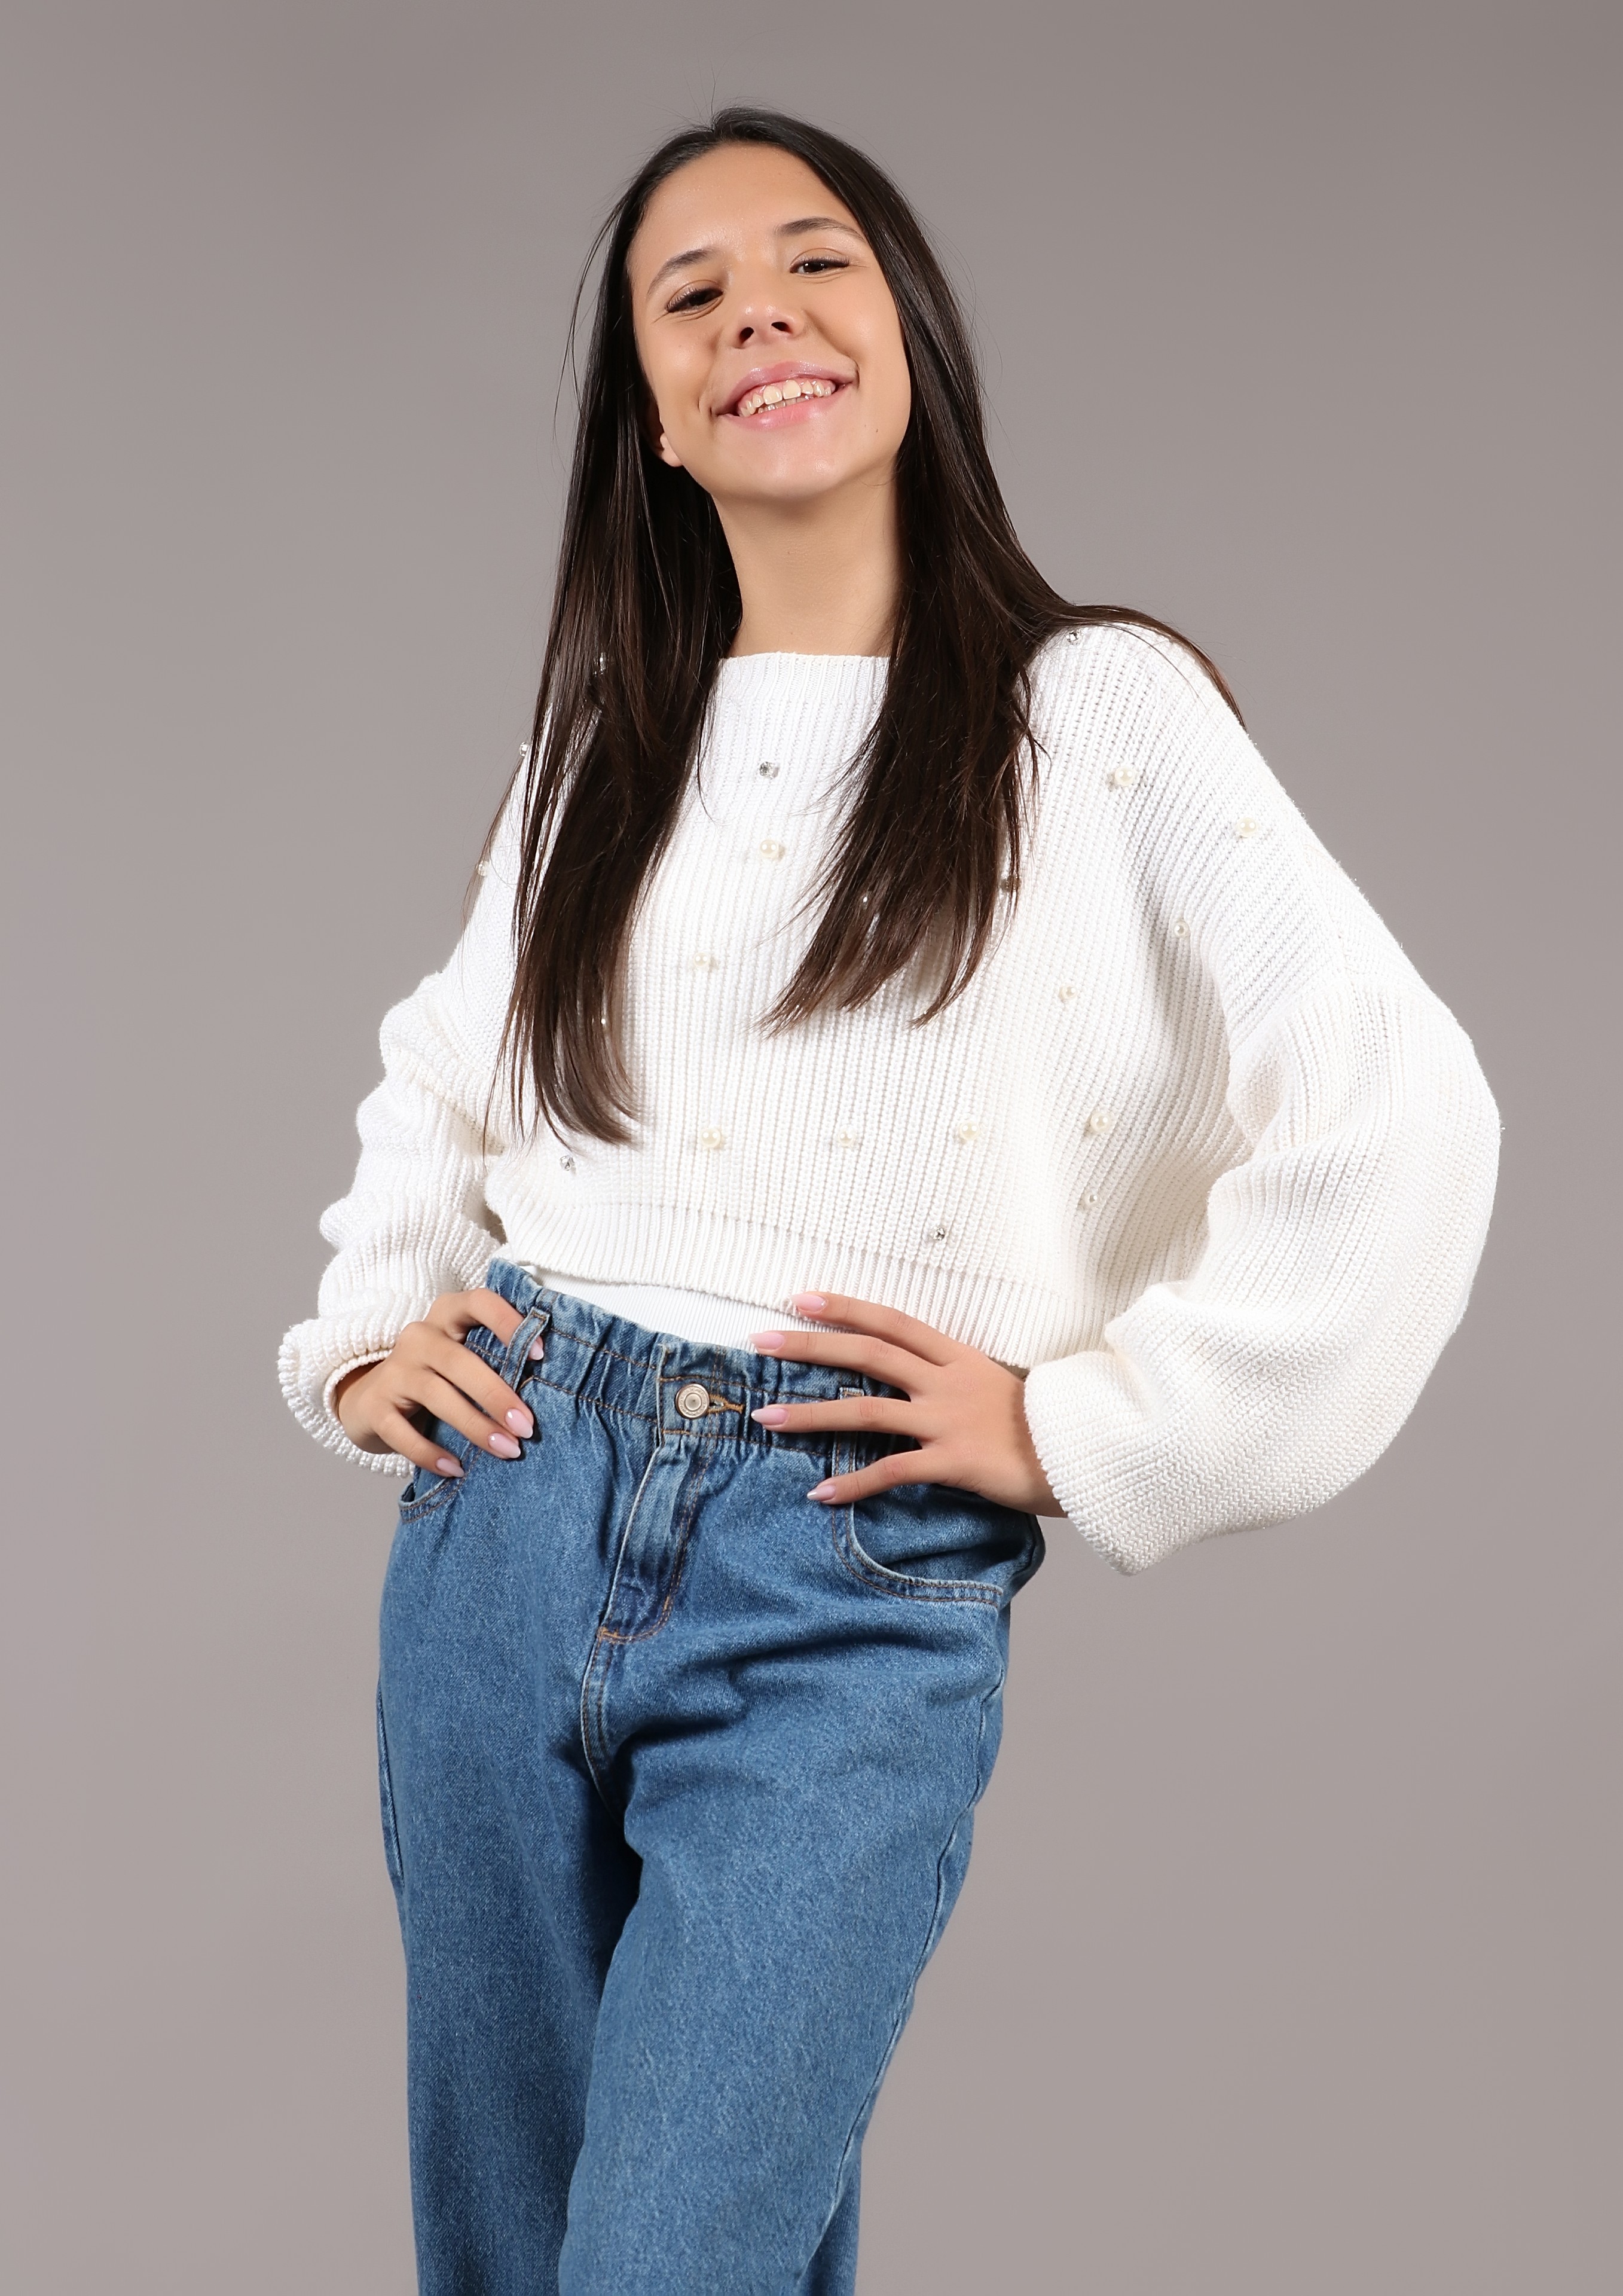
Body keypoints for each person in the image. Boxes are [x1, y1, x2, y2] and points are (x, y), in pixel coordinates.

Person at [278, 105, 1499, 2296]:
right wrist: (367, 1336)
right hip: (506, 1518)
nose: (759, 311)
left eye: (813, 260)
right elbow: (452, 1072)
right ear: (655, 420)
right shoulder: (607, 739)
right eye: (693, 294)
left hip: (838, 1573)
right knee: (518, 2256)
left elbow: (1396, 1105)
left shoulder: (1094, 712)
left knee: (667, 2260)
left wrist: (1094, 1430)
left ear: (908, 332)